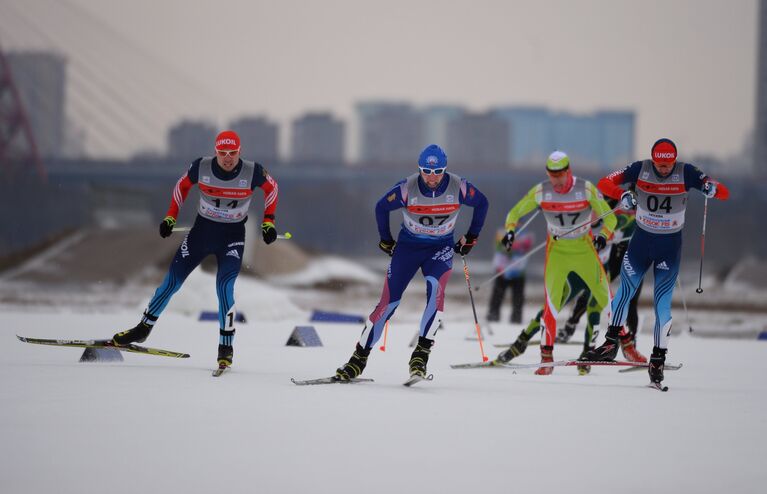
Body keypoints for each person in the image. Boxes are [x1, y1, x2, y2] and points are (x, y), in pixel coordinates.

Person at [112, 130, 280, 371]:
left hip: (232, 237)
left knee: (224, 288)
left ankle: (226, 348)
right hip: (202, 233)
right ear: (216, 152)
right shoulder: (201, 167)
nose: (228, 158)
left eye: (233, 153)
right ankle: (142, 329)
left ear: (239, 152)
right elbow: (181, 187)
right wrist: (170, 217)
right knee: (172, 281)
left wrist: (268, 222)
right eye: (223, 153)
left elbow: (272, 189)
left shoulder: (252, 171)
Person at [335, 144, 489, 380]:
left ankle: (420, 357)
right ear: (419, 169)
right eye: (426, 171)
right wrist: (386, 240)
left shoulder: (459, 186)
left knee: (436, 294)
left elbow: (482, 203)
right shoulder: (407, 188)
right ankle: (358, 360)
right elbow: (381, 207)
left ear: (445, 170)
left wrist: (472, 236)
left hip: (440, 248)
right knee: (388, 303)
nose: (432, 177)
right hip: (408, 248)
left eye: (438, 172)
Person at [583, 138, 729, 386]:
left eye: (668, 164)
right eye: (660, 165)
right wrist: (623, 195)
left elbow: (722, 191)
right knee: (623, 293)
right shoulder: (640, 168)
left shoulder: (687, 172)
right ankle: (610, 344)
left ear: (674, 159)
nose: (663, 170)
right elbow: (604, 183)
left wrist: (711, 188)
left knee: (662, 305)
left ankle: (657, 359)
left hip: (669, 248)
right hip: (640, 243)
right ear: (653, 159)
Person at [498, 150, 616, 375]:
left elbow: (610, 218)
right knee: (551, 306)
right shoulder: (542, 191)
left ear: (568, 171)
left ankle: (610, 348)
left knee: (605, 301)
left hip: (586, 252)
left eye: (560, 174)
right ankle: (544, 356)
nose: (556, 179)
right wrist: (511, 231)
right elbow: (514, 213)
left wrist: (603, 236)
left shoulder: (587, 190)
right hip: (558, 254)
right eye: (552, 174)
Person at [486, 229, 534, 323]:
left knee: (518, 297)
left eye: (519, 223)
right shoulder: (502, 233)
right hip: (502, 272)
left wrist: (518, 245)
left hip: (518, 273)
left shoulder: (526, 235)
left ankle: (516, 318)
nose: (516, 225)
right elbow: (499, 248)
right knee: (497, 295)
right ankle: (493, 316)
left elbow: (527, 247)